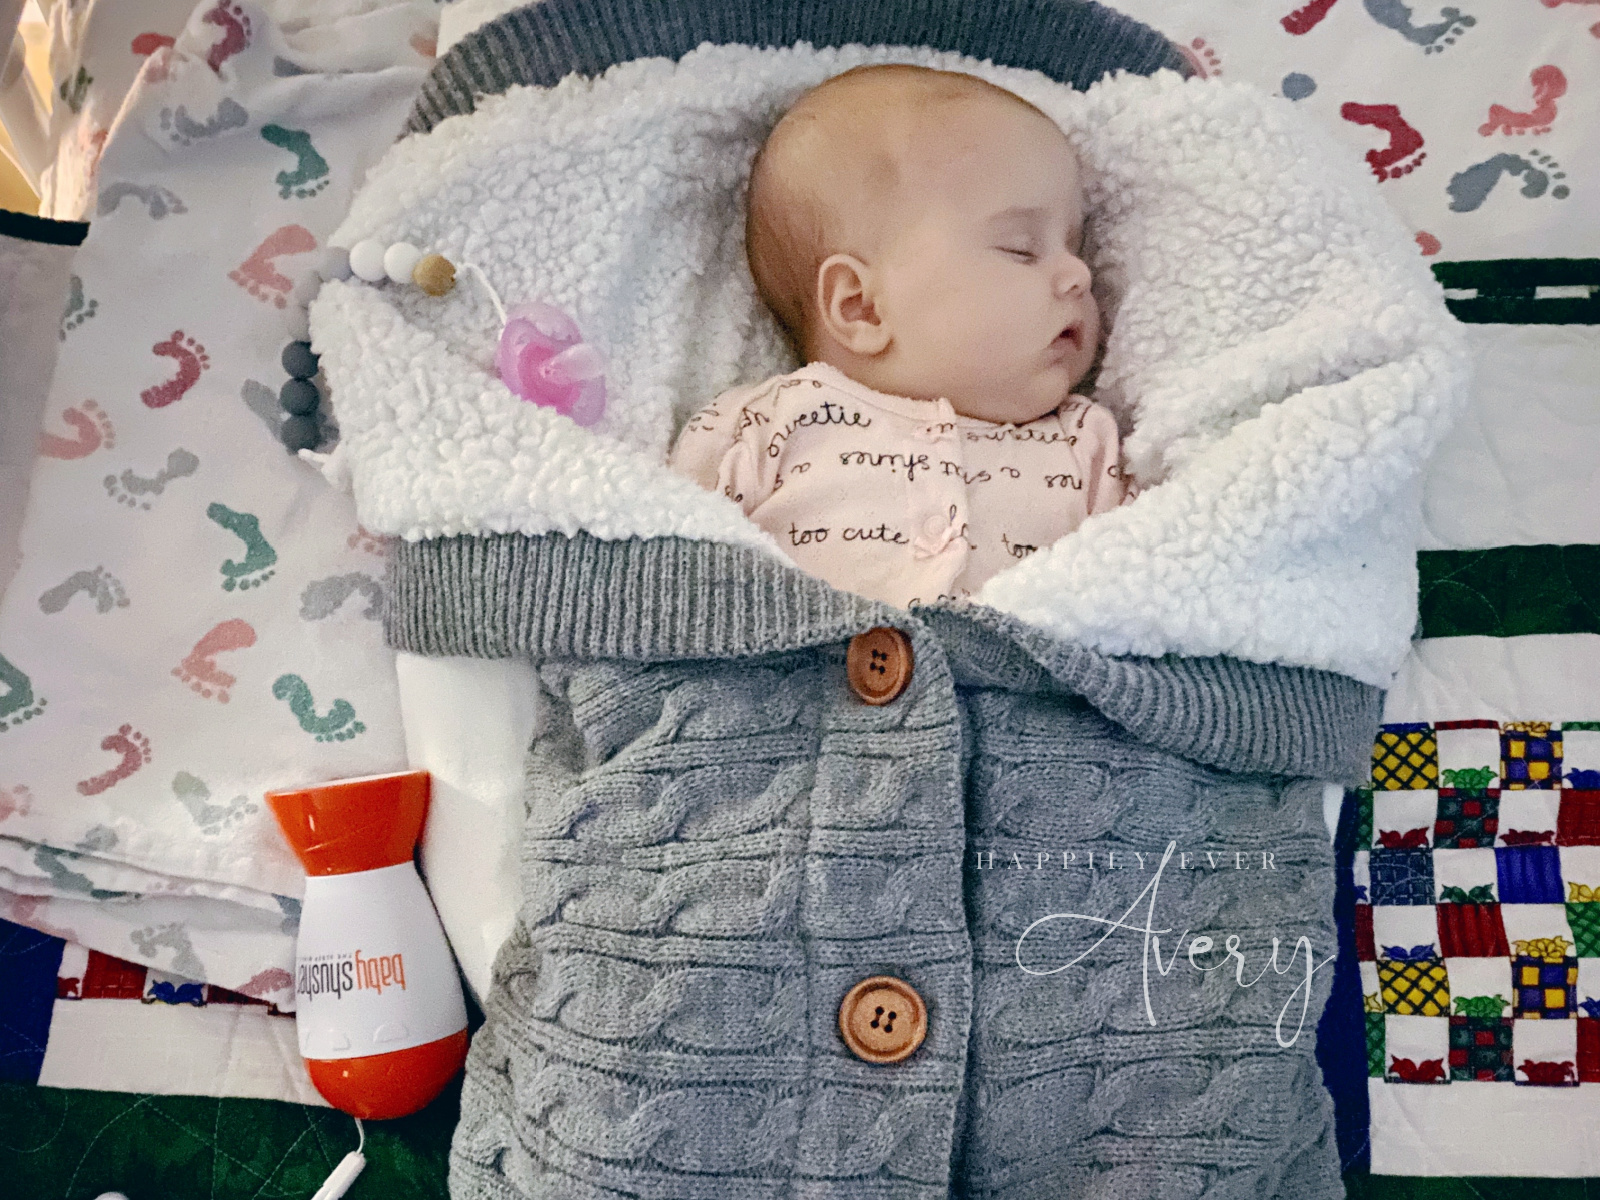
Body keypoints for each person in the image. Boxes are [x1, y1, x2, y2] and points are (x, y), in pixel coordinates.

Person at [669, 63, 1129, 608]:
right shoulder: (761, 427)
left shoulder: (1087, 446)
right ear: (862, 307)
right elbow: (666, 583)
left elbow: (1144, 606)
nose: (1079, 275)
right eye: (1020, 248)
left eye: (1074, 246)